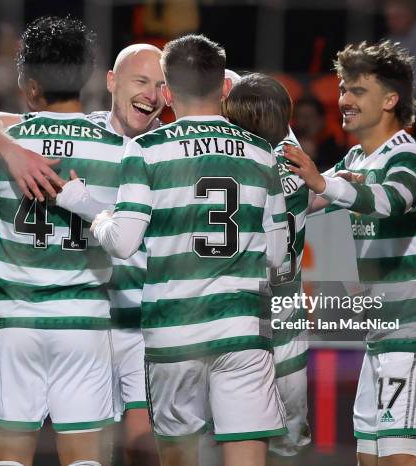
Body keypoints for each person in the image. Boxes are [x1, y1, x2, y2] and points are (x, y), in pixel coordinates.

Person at [0, 42, 166, 466]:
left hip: (146, 322)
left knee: (144, 450)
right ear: (111, 82)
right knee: (93, 450)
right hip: (91, 318)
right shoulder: (88, 131)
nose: (151, 93)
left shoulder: (169, 150)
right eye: (141, 81)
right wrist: (12, 154)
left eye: (162, 85)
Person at [90, 34, 288, 466]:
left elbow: (123, 244)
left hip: (173, 332)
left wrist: (95, 213)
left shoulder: (146, 151)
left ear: (166, 91)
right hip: (242, 331)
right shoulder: (261, 153)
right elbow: (277, 258)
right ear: (224, 89)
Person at [0, 16, 123, 466]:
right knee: (84, 458)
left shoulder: (5, 145)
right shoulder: (117, 149)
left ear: (29, 84)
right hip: (84, 322)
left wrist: (6, 210)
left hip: (17, 321)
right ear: (86, 79)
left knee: (10, 458)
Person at [283, 41, 416, 465]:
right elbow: (303, 202)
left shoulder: (411, 156)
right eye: (343, 89)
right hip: (381, 333)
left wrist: (323, 184)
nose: (343, 100)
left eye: (357, 90)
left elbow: (387, 200)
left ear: (391, 99)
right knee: (369, 460)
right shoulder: (357, 157)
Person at [221, 73, 311, 464]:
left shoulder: (234, 167)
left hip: (242, 322)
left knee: (231, 440)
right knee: (285, 448)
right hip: (285, 325)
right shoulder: (298, 164)